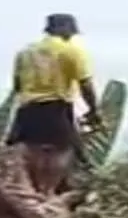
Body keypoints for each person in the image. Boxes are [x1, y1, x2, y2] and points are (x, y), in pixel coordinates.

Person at [5, 13, 101, 195]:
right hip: (56, 109)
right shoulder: (72, 51)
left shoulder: (25, 52)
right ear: (63, 29)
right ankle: (46, 196)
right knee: (60, 157)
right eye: (70, 31)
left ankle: (31, 195)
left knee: (30, 158)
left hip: (27, 112)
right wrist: (94, 111)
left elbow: (17, 86)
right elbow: (85, 84)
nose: (71, 36)